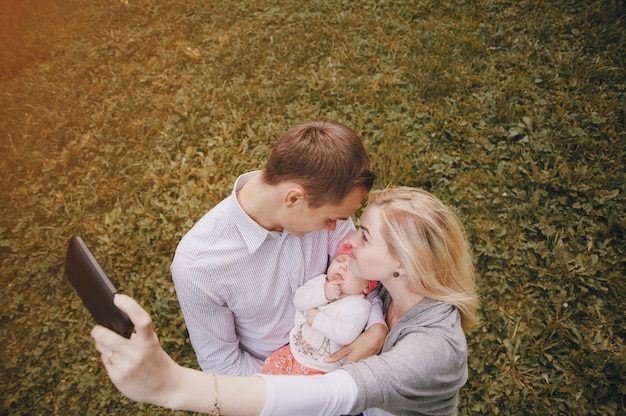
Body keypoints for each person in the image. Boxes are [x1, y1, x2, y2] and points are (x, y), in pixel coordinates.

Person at [92, 187, 479, 416]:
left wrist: (172, 386)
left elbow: (338, 393)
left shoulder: (434, 349)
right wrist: (377, 326)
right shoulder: (385, 287)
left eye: (363, 235)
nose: (349, 242)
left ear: (401, 262)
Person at [170, 120, 386, 376]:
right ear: (293, 198)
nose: (334, 229)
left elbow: (361, 273)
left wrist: (377, 328)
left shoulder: (317, 200)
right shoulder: (198, 266)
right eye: (330, 219)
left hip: (346, 350)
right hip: (277, 377)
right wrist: (297, 389)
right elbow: (223, 366)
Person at [262, 241, 378, 375]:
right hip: (294, 351)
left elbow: (346, 334)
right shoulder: (322, 282)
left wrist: (318, 319)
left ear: (367, 287)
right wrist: (323, 293)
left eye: (352, 267)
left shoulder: (358, 304)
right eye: (339, 260)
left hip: (321, 367)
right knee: (270, 366)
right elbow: (298, 300)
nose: (343, 267)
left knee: (306, 394)